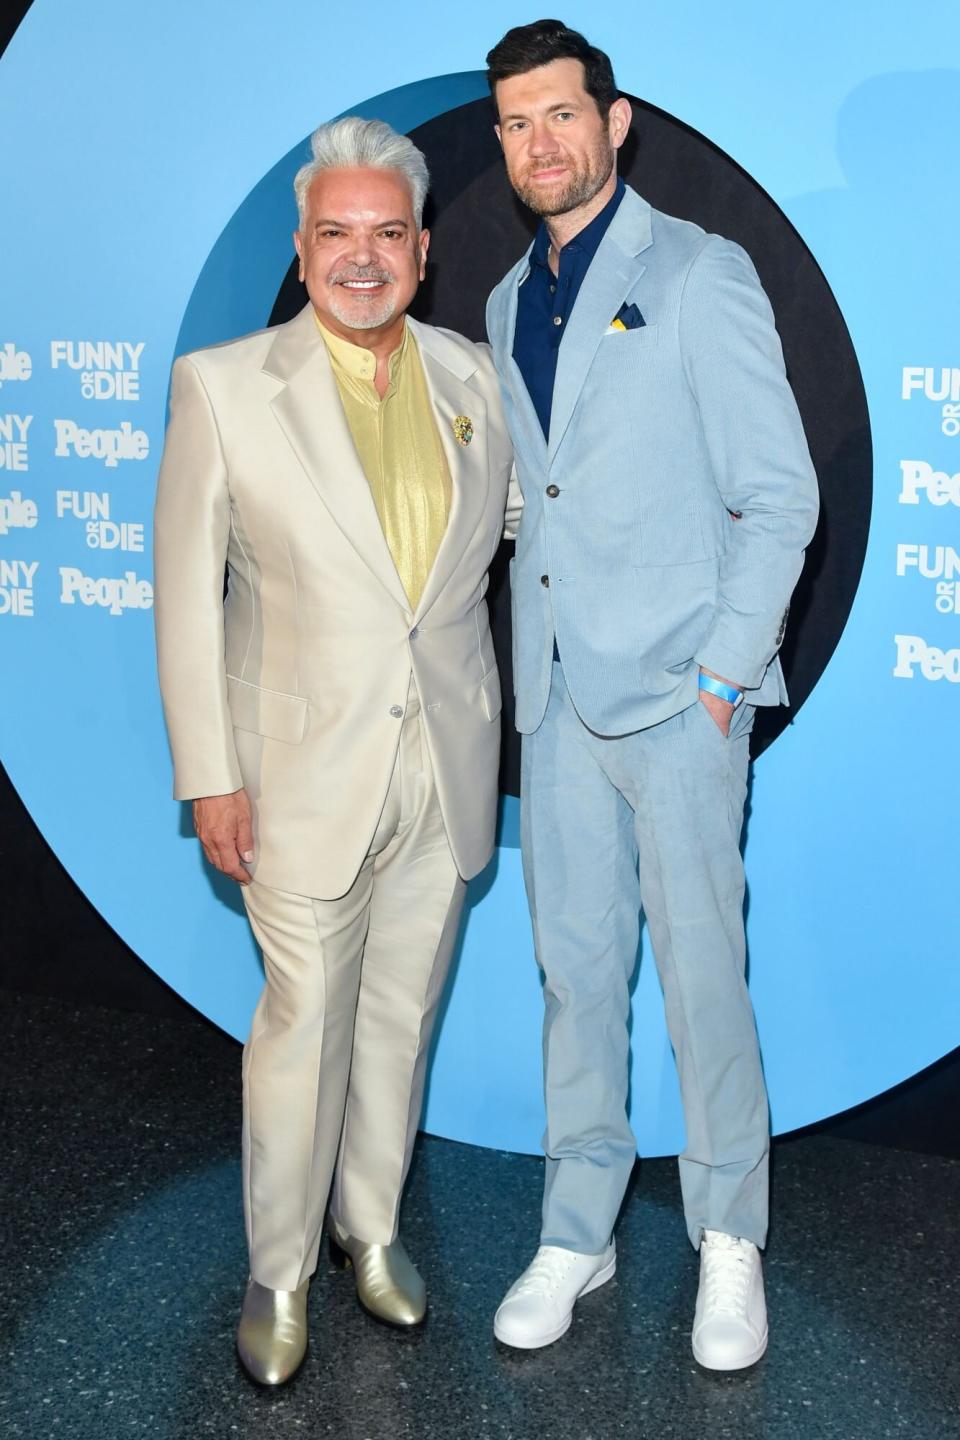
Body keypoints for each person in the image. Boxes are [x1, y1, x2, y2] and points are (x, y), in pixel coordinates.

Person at [154, 116, 517, 1387]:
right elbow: (184, 597)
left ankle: (370, 1230)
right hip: (295, 776)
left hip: (444, 772)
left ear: (422, 248)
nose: (362, 258)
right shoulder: (223, 384)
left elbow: (518, 538)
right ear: (302, 251)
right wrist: (210, 774)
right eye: (334, 235)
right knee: (304, 1024)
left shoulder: (473, 377)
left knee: (402, 1016)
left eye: (386, 234)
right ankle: (279, 1271)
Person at [484, 20, 819, 1369]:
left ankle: (729, 1237)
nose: (540, 142)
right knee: (575, 977)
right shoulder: (510, 300)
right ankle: (581, 1228)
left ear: (613, 123)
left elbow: (779, 494)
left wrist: (727, 681)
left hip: (684, 699)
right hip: (557, 695)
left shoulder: (698, 270)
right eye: (516, 123)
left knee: (701, 978)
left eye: (562, 114)